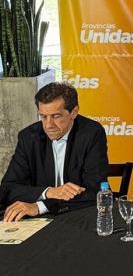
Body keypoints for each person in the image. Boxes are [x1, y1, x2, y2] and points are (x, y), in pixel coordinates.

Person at [1, 82, 108, 221]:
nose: (48, 125)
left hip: (79, 216)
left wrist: (40, 206)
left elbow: (96, 192)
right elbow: (8, 188)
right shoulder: (29, 137)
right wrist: (49, 192)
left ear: (74, 112)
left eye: (56, 116)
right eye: (43, 117)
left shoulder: (92, 133)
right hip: (38, 222)